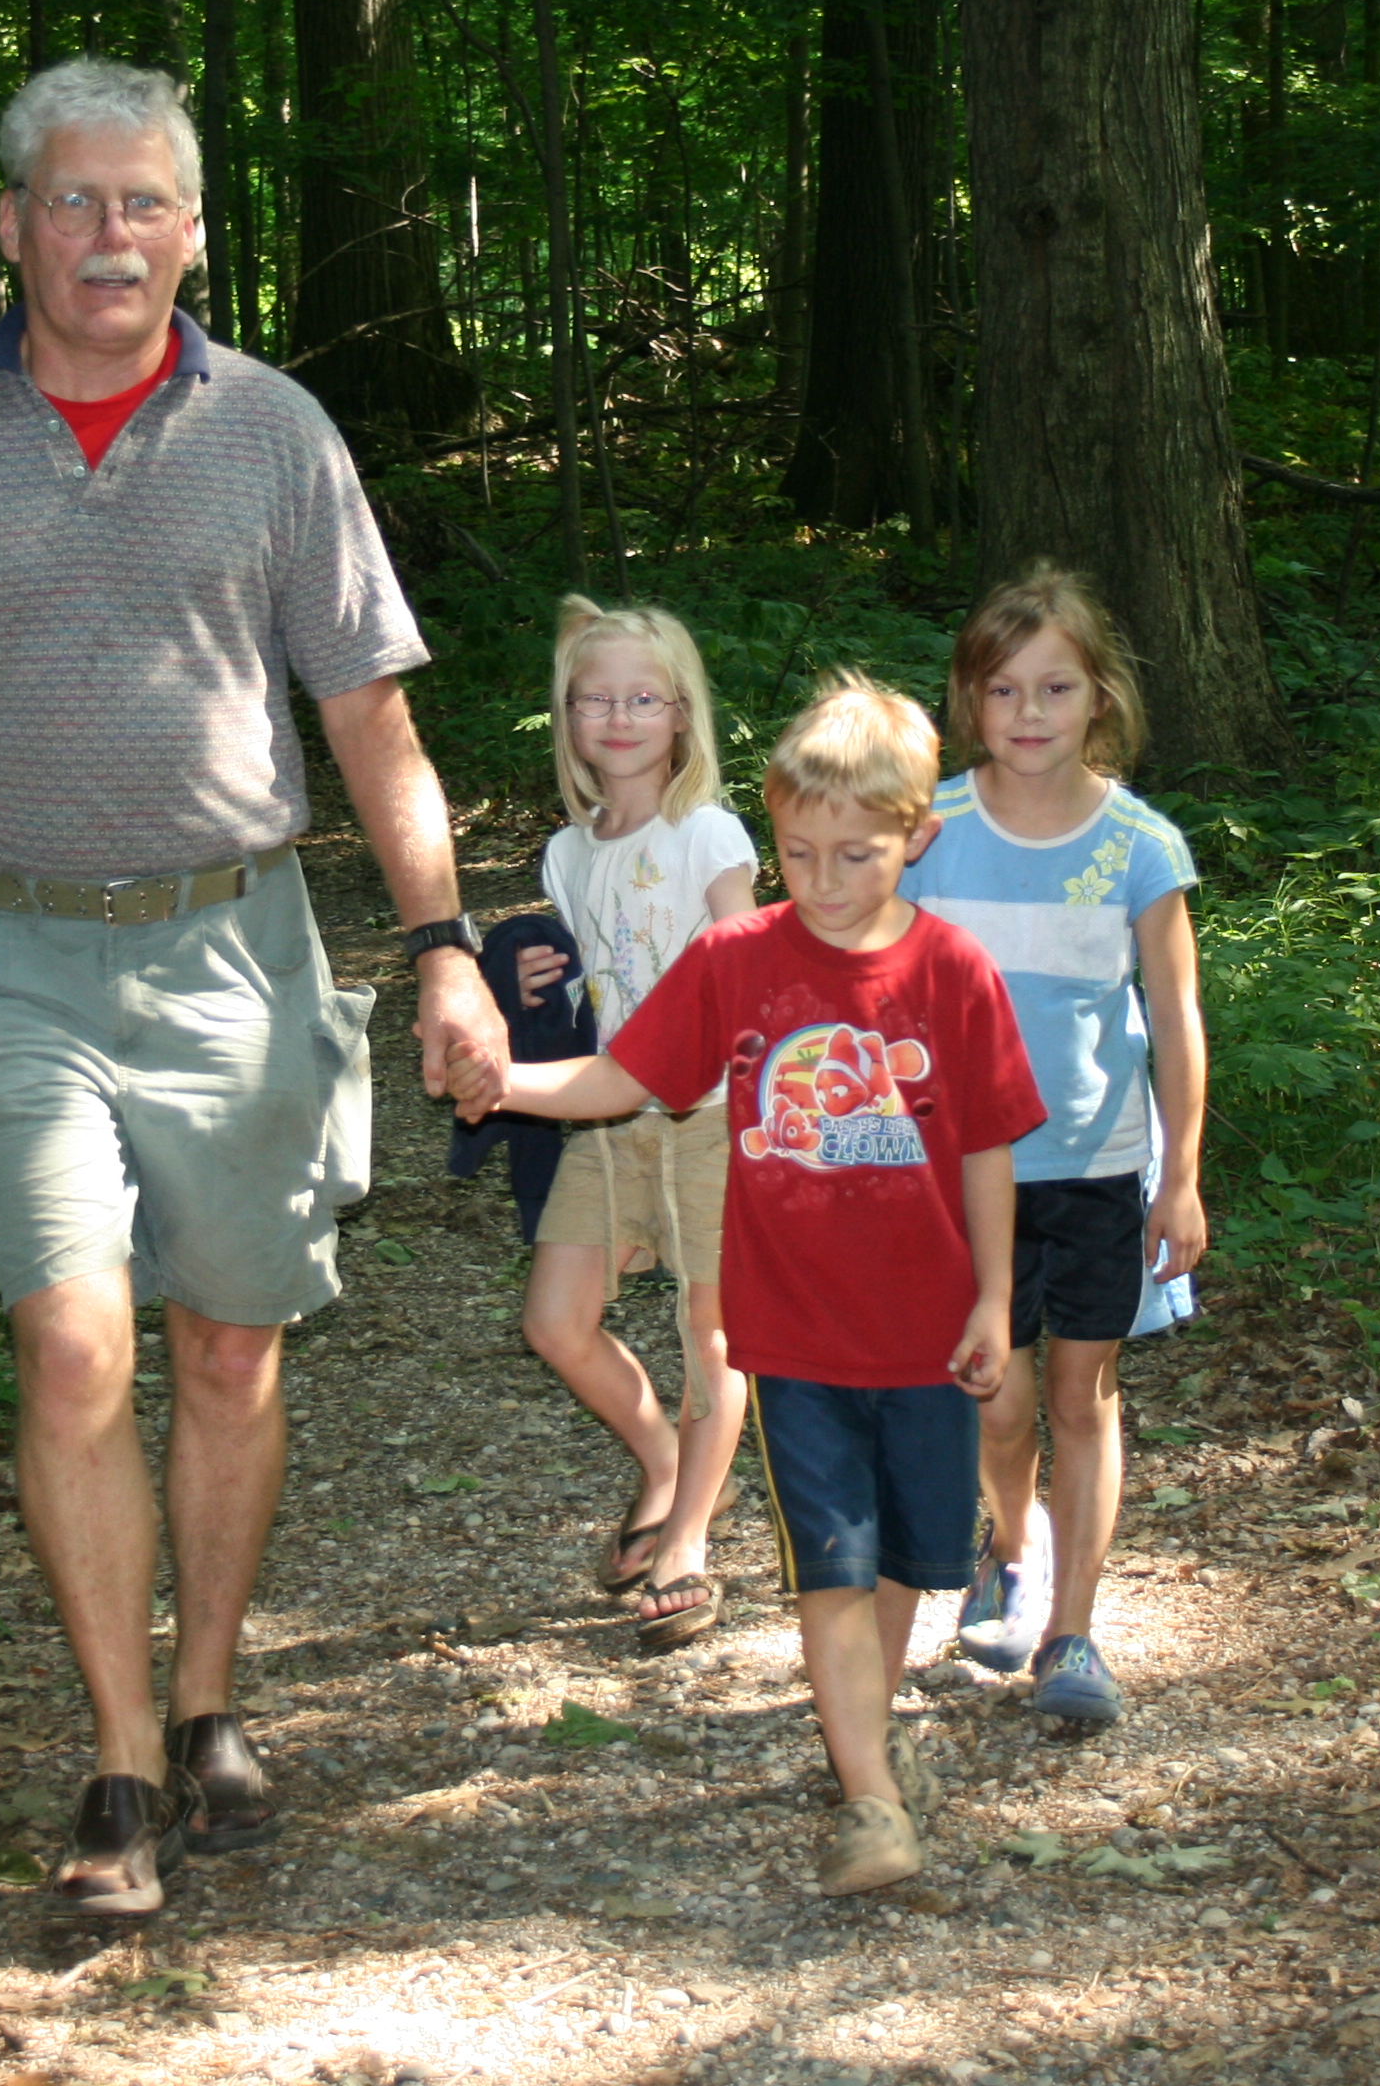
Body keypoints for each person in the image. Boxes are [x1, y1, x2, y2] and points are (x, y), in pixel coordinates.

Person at [0, 57, 510, 1918]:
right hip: (11, 954)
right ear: (12, 224)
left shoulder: (275, 430)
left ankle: (206, 1703)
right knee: (69, 1341)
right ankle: (117, 1760)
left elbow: (371, 721)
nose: (109, 235)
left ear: (191, 231)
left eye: (145, 204)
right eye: (73, 200)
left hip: (235, 949)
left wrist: (445, 950)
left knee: (230, 1345)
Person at [481, 678, 1040, 1897]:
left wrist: (995, 1302)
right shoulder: (736, 958)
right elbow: (625, 1076)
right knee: (830, 1566)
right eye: (798, 853)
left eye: (856, 855)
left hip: (928, 1333)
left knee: (904, 1564)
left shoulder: (954, 971)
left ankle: (867, 1740)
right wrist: (502, 1081)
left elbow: (990, 1146)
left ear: (916, 838)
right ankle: (871, 1801)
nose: (824, 882)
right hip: (792, 1335)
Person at [902, 567, 1208, 1727]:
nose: (1029, 712)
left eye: (1056, 687)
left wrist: (1181, 1177)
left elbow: (1175, 1015)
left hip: (1098, 1167)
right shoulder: (929, 833)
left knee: (1083, 1397)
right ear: (969, 700)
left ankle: (1073, 1633)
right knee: (997, 1398)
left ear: (1099, 697)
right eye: (1003, 689)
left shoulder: (1139, 845)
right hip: (961, 1177)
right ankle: (1010, 1544)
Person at [508, 598, 756, 1650]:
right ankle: (665, 1461)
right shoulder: (567, 852)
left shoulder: (707, 831)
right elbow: (596, 978)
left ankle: (688, 1541)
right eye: (595, 699)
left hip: (709, 1117)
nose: (618, 718)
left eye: (643, 699)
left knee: (712, 1335)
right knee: (555, 1321)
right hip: (611, 1121)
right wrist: (539, 976)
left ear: (682, 714)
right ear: (567, 716)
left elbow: (746, 958)